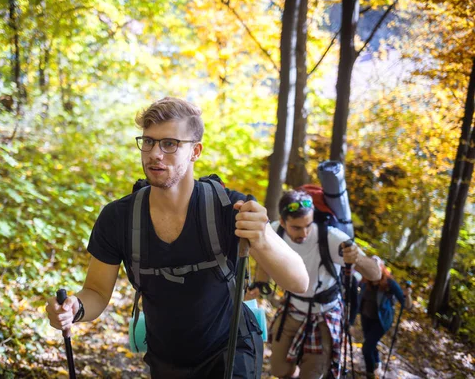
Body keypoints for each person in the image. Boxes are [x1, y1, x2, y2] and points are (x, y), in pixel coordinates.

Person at [45, 97, 309, 378]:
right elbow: (96, 292)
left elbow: (298, 281)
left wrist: (262, 239)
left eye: (169, 144)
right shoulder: (118, 218)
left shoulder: (229, 209)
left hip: (231, 351)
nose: (155, 153)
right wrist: (75, 308)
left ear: (195, 151)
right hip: (166, 359)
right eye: (148, 142)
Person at [250, 189, 382, 379]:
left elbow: (375, 274)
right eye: (296, 227)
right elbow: (265, 258)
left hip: (324, 315)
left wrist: (358, 259)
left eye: (308, 225)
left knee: (311, 375)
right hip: (292, 307)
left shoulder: (331, 238)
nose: (304, 233)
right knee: (279, 370)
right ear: (283, 220)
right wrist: (261, 283)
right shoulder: (275, 232)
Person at [352, 259, 412, 379]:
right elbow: (356, 295)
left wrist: (408, 294)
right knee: (370, 343)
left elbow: (407, 305)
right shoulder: (364, 281)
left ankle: (370, 374)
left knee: (366, 349)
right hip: (366, 317)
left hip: (381, 320)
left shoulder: (389, 283)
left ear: (381, 269)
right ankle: (377, 364)